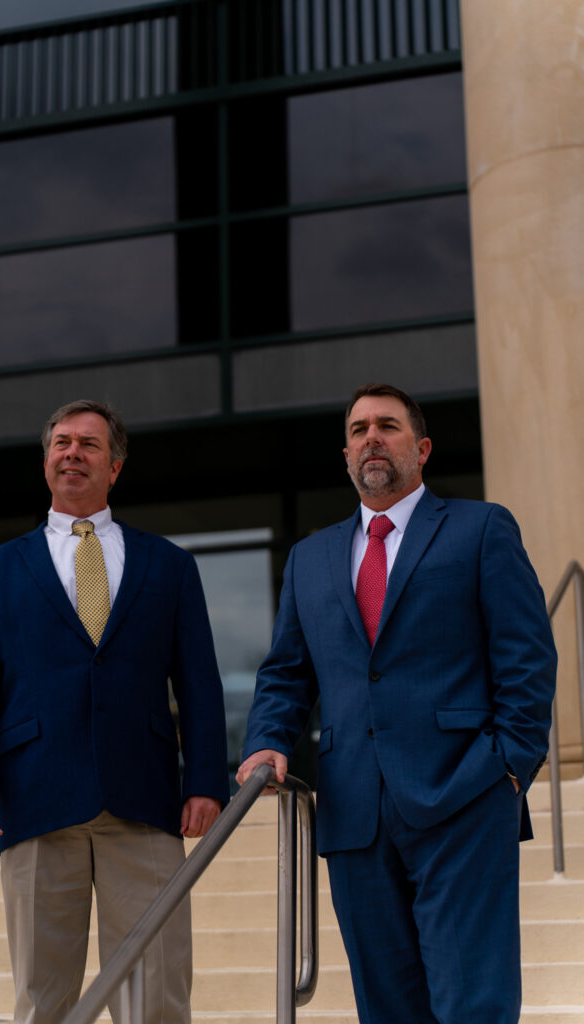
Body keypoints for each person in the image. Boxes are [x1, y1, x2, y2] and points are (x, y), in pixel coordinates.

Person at [237, 383, 556, 1024]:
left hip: (463, 795)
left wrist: (508, 767)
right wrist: (265, 739)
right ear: (347, 454)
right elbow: (286, 674)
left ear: (423, 447)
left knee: (473, 1003)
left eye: (387, 425)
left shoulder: (481, 528)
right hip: (354, 811)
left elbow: (526, 658)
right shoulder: (309, 558)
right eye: (358, 430)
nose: (371, 438)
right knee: (386, 1009)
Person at [0, 399, 229, 1024]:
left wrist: (206, 779)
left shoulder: (171, 566)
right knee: (43, 998)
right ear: (46, 461)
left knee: (156, 993)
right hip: (36, 797)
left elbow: (201, 685)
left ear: (115, 466)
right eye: (62, 443)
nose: (73, 453)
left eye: (89, 445)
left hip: (146, 801)